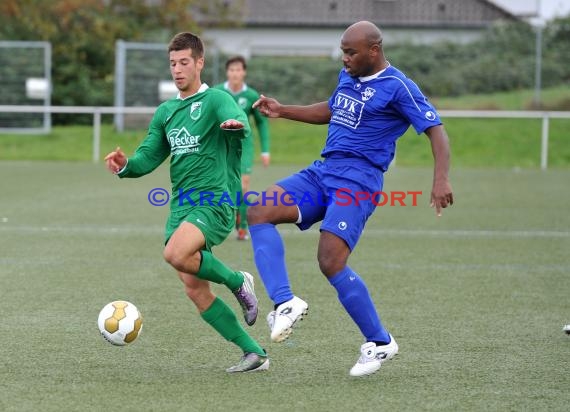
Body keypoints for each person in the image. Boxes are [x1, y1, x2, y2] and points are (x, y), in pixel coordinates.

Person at [247, 21, 453, 377]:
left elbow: (436, 130)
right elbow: (330, 110)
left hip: (358, 180)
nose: (344, 58)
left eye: (351, 52)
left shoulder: (398, 86)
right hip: (324, 171)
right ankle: (285, 302)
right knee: (259, 210)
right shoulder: (349, 78)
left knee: (330, 260)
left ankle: (381, 342)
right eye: (342, 51)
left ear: (374, 50)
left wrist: (440, 179)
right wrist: (283, 110)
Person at [104, 32, 269, 373]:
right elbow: (148, 157)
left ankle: (239, 281)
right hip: (181, 205)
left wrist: (235, 127)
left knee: (175, 254)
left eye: (183, 63)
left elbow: (240, 127)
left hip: (214, 200)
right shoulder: (166, 112)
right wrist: (125, 166)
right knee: (194, 289)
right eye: (172, 64)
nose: (177, 70)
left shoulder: (217, 99)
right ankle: (255, 353)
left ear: (199, 63)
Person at [213, 56, 271, 241]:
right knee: (224, 185)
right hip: (222, 146)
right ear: (227, 72)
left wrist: (265, 150)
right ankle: (226, 219)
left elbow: (261, 124)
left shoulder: (252, 95)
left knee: (243, 185)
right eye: (232, 70)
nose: (235, 73)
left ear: (244, 72)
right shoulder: (217, 93)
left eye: (238, 70)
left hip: (243, 145)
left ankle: (242, 227)